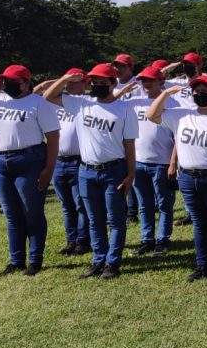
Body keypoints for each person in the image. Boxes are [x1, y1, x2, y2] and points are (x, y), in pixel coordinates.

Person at [43, 64, 138, 280]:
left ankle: (112, 263)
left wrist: (131, 174)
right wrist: (66, 76)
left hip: (114, 170)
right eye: (94, 82)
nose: (97, 86)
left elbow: (130, 144)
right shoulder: (81, 104)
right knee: (94, 220)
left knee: (114, 220)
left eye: (103, 83)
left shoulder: (124, 110)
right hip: (86, 170)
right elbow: (48, 95)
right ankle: (98, 261)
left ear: (113, 84)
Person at [0, 66, 60, 275]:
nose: (8, 85)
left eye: (13, 82)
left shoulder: (38, 103)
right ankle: (16, 260)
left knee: (31, 212)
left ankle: (35, 259)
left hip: (29, 159)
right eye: (5, 81)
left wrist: (48, 169)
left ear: (26, 82)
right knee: (11, 214)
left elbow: (53, 138)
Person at [148, 76, 207, 282]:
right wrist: (165, 94)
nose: (199, 94)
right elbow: (151, 114)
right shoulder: (181, 115)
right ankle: (202, 266)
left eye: (204, 90)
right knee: (199, 224)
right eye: (195, 91)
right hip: (188, 178)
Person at [122, 66, 178, 257]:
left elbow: (178, 137)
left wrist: (172, 163)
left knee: (164, 203)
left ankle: (162, 240)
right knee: (144, 204)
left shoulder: (173, 103)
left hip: (162, 162)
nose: (146, 84)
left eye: (151, 81)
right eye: (143, 80)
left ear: (161, 82)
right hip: (138, 162)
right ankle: (147, 239)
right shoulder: (134, 103)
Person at [36, 69, 91, 255]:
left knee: (81, 204)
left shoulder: (87, 103)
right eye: (68, 82)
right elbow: (42, 93)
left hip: (78, 161)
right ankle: (71, 240)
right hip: (59, 161)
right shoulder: (57, 102)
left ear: (85, 84)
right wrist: (63, 78)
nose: (70, 85)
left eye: (75, 82)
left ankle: (83, 240)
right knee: (66, 205)